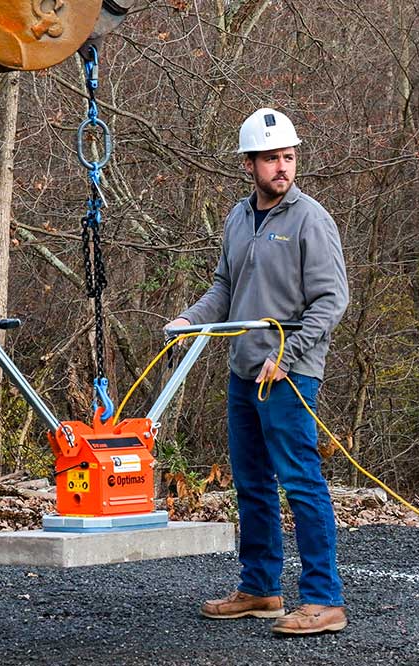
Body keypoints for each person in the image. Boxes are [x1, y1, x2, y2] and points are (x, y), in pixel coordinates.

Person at [165, 108, 349, 636]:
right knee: (251, 482)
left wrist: (286, 357)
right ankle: (261, 588)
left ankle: (322, 599)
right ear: (250, 164)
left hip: (289, 376)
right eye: (271, 158)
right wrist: (188, 320)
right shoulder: (238, 218)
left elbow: (331, 300)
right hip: (244, 372)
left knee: (302, 483)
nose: (282, 167)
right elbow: (224, 289)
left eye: (288, 157)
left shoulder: (310, 218)